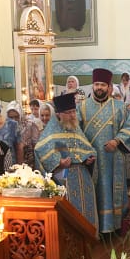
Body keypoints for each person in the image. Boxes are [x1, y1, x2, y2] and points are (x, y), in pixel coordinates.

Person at [77, 68, 130, 233]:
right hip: (91, 160)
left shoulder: (120, 107)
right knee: (95, 192)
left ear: (109, 87)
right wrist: (84, 153)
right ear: (92, 86)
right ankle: (95, 227)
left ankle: (114, 226)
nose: (99, 87)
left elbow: (129, 126)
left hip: (113, 158)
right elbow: (76, 133)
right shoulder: (82, 107)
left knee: (112, 190)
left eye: (102, 84)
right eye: (96, 84)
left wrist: (116, 141)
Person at [35, 93, 98, 232]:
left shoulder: (75, 127)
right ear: (59, 114)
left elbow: (86, 147)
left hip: (82, 173)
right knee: (69, 207)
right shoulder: (52, 129)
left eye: (74, 111)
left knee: (87, 204)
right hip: (62, 175)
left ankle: (90, 235)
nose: (73, 115)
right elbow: (40, 150)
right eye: (68, 112)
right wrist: (58, 162)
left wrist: (88, 158)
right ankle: (70, 237)